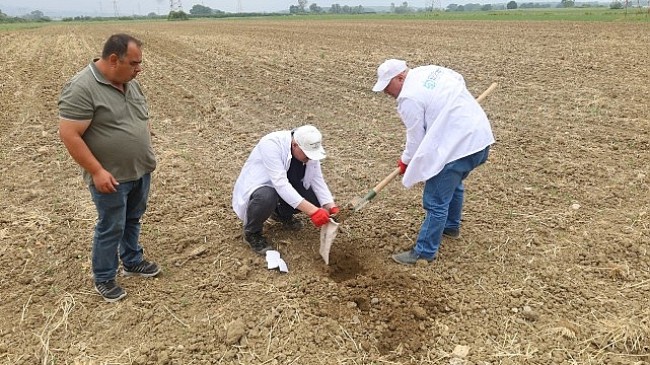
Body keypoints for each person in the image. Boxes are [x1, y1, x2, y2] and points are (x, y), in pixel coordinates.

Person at [58, 33, 161, 302]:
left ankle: (131, 260)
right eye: (135, 63)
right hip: (110, 176)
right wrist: (96, 171)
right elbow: (69, 134)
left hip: (140, 169)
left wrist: (143, 140)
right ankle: (104, 277)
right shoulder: (82, 87)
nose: (139, 69)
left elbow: (140, 116)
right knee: (111, 225)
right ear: (114, 59)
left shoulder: (130, 83)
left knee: (132, 219)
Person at [371, 59, 495, 265]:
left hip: (460, 145)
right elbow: (458, 79)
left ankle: (424, 252)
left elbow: (415, 138)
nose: (385, 92)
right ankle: (451, 226)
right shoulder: (430, 71)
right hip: (480, 139)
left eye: (387, 86)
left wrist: (405, 162)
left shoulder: (408, 98)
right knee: (453, 183)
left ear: (400, 77)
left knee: (436, 198)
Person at [232, 125, 339, 255]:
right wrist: (313, 212)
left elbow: (317, 179)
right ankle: (252, 233)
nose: (310, 158)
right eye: (307, 155)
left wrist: (330, 206)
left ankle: (281, 214)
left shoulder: (306, 148)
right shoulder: (271, 144)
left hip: (287, 181)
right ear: (295, 145)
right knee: (266, 197)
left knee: (315, 197)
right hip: (264, 187)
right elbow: (280, 184)